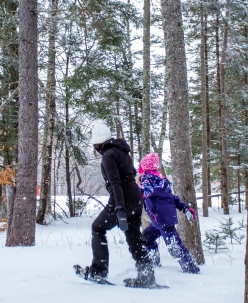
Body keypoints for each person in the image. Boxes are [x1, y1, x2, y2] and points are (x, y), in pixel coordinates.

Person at [74, 120, 157, 288]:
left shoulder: (108, 155)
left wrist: (119, 208)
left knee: (98, 228)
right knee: (133, 236)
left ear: (97, 142)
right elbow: (131, 174)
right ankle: (147, 275)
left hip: (122, 200)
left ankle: (99, 270)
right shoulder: (122, 151)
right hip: (135, 199)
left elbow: (115, 183)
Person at [138, 152, 200, 274]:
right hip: (159, 220)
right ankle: (153, 261)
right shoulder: (160, 179)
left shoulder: (148, 179)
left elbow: (145, 192)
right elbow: (172, 197)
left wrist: (133, 191)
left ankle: (191, 268)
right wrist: (184, 208)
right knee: (146, 238)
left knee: (174, 247)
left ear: (145, 167)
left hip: (162, 220)